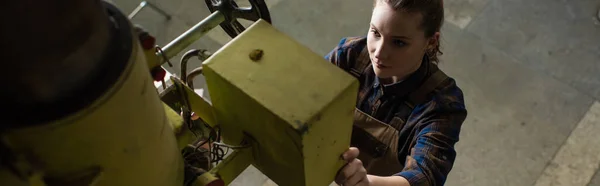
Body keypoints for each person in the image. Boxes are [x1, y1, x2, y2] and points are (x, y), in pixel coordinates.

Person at [325, 0, 467, 185]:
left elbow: (425, 175)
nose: (379, 53)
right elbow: (309, 100)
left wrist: (365, 183)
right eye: (376, 33)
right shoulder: (349, 56)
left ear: (431, 42)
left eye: (399, 42)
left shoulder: (441, 103)